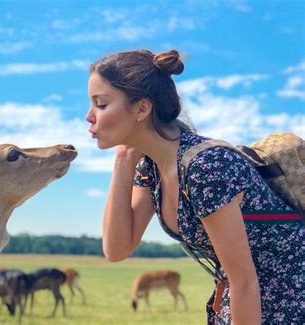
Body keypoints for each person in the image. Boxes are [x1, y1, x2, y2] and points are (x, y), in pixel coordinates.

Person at [85, 49, 303, 324]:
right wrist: (123, 159)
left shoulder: (206, 167)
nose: (89, 116)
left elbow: (245, 280)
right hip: (241, 301)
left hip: (286, 301)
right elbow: (117, 249)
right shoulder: (152, 169)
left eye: (100, 104)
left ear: (141, 108)